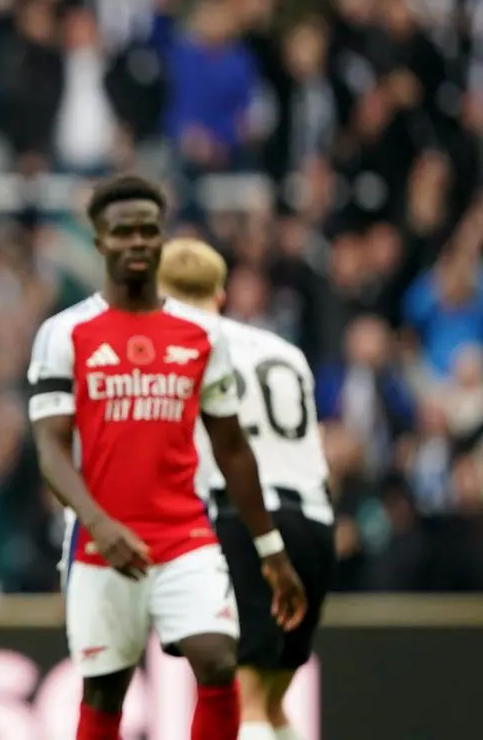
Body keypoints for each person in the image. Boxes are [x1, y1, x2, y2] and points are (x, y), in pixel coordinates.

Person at [26, 174, 307, 740]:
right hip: (102, 547)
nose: (136, 241)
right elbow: (51, 452)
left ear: (162, 239)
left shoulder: (202, 334)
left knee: (219, 664)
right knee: (104, 694)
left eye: (147, 230)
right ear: (99, 241)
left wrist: (270, 548)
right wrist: (99, 525)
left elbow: (232, 447)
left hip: (185, 538)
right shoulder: (65, 333)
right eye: (121, 231)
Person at [158, 238, 335, 740]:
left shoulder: (177, 352)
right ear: (219, 294)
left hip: (244, 522)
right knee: (276, 698)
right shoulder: (284, 351)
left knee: (243, 698)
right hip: (314, 522)